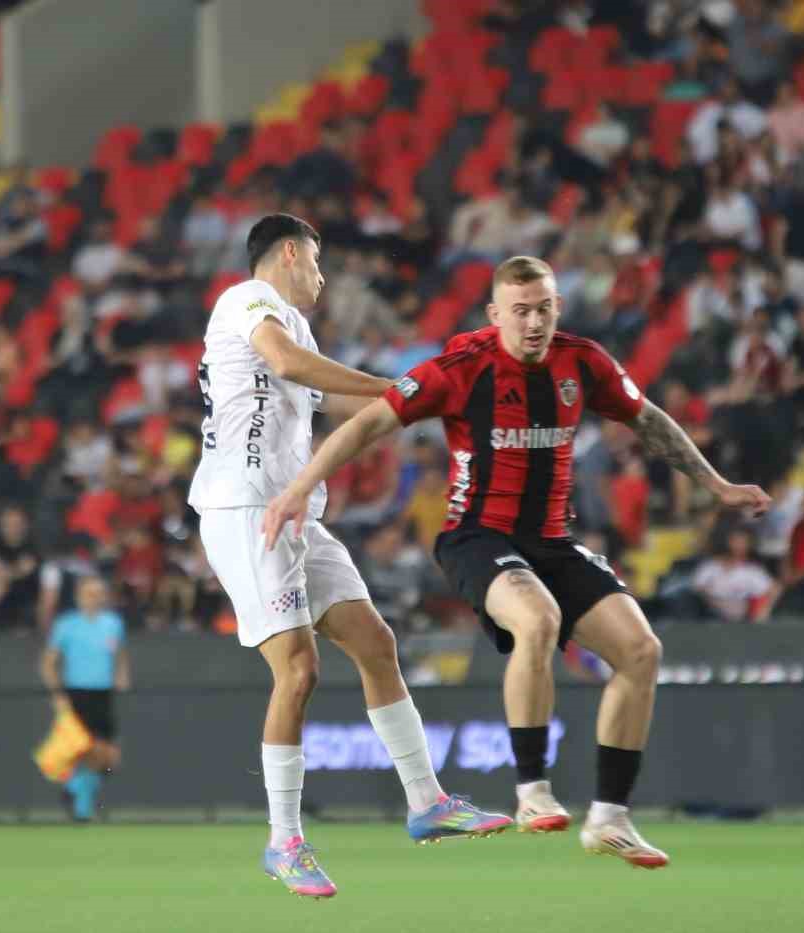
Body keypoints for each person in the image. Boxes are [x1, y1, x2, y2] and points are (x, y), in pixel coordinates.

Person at [264, 256, 770, 869]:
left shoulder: (582, 362)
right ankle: (532, 791)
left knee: (642, 651)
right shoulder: (460, 368)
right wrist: (300, 489)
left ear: (558, 309)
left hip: (552, 541)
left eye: (544, 310)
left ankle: (610, 817)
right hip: (476, 536)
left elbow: (649, 419)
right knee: (538, 619)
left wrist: (717, 485)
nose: (534, 323)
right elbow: (366, 427)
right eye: (521, 311)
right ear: (495, 314)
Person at [190, 213, 511, 899]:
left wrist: (420, 402)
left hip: (295, 510)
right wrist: (397, 388)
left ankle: (426, 802)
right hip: (244, 510)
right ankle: (284, 841)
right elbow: (286, 364)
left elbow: (333, 402)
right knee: (298, 668)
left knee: (375, 641)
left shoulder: (295, 327)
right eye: (315, 261)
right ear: (288, 253)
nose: (321, 276)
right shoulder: (246, 300)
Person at [38, 576, 131, 821]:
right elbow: (49, 662)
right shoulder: (66, 625)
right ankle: (82, 807)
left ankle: (74, 788)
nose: (95, 598)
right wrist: (57, 693)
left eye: (99, 593)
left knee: (110, 758)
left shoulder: (113, 623)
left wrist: (122, 675)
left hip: (104, 693)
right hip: (77, 692)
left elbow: (120, 653)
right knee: (88, 750)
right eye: (90, 593)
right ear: (79, 597)